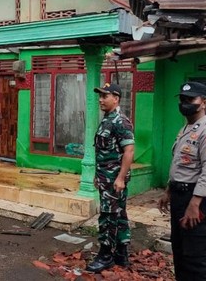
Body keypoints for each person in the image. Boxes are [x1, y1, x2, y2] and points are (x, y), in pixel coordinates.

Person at [157, 81, 206, 281]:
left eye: (190, 99)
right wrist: (168, 190)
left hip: (194, 199)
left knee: (195, 257)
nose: (185, 103)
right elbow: (179, 164)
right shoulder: (186, 128)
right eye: (183, 99)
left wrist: (195, 203)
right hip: (179, 195)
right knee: (180, 252)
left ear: (204, 103)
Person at [86, 82, 135, 272]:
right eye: (100, 96)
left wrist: (121, 178)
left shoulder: (120, 121)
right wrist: (98, 175)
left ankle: (106, 255)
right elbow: (104, 151)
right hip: (107, 177)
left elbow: (129, 151)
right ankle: (121, 253)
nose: (101, 99)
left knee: (108, 216)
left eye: (105, 96)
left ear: (116, 98)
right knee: (119, 213)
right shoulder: (108, 119)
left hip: (114, 179)